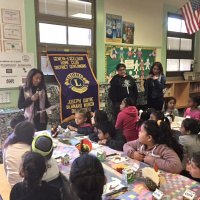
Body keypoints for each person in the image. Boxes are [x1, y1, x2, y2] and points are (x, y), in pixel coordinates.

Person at [3, 121, 35, 187]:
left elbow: (5, 168)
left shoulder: (7, 147)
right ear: (31, 135)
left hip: (12, 184)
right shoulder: (32, 149)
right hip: (27, 187)